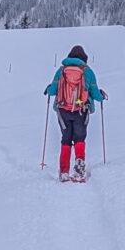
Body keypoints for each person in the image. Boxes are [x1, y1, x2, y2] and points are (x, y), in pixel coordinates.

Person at [43, 44, 105, 182]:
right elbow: (94, 93)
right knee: (79, 139)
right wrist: (101, 96)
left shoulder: (61, 70)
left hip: (63, 110)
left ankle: (64, 172)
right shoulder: (87, 72)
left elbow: (53, 90)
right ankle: (79, 170)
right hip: (81, 110)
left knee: (66, 139)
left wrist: (48, 88)